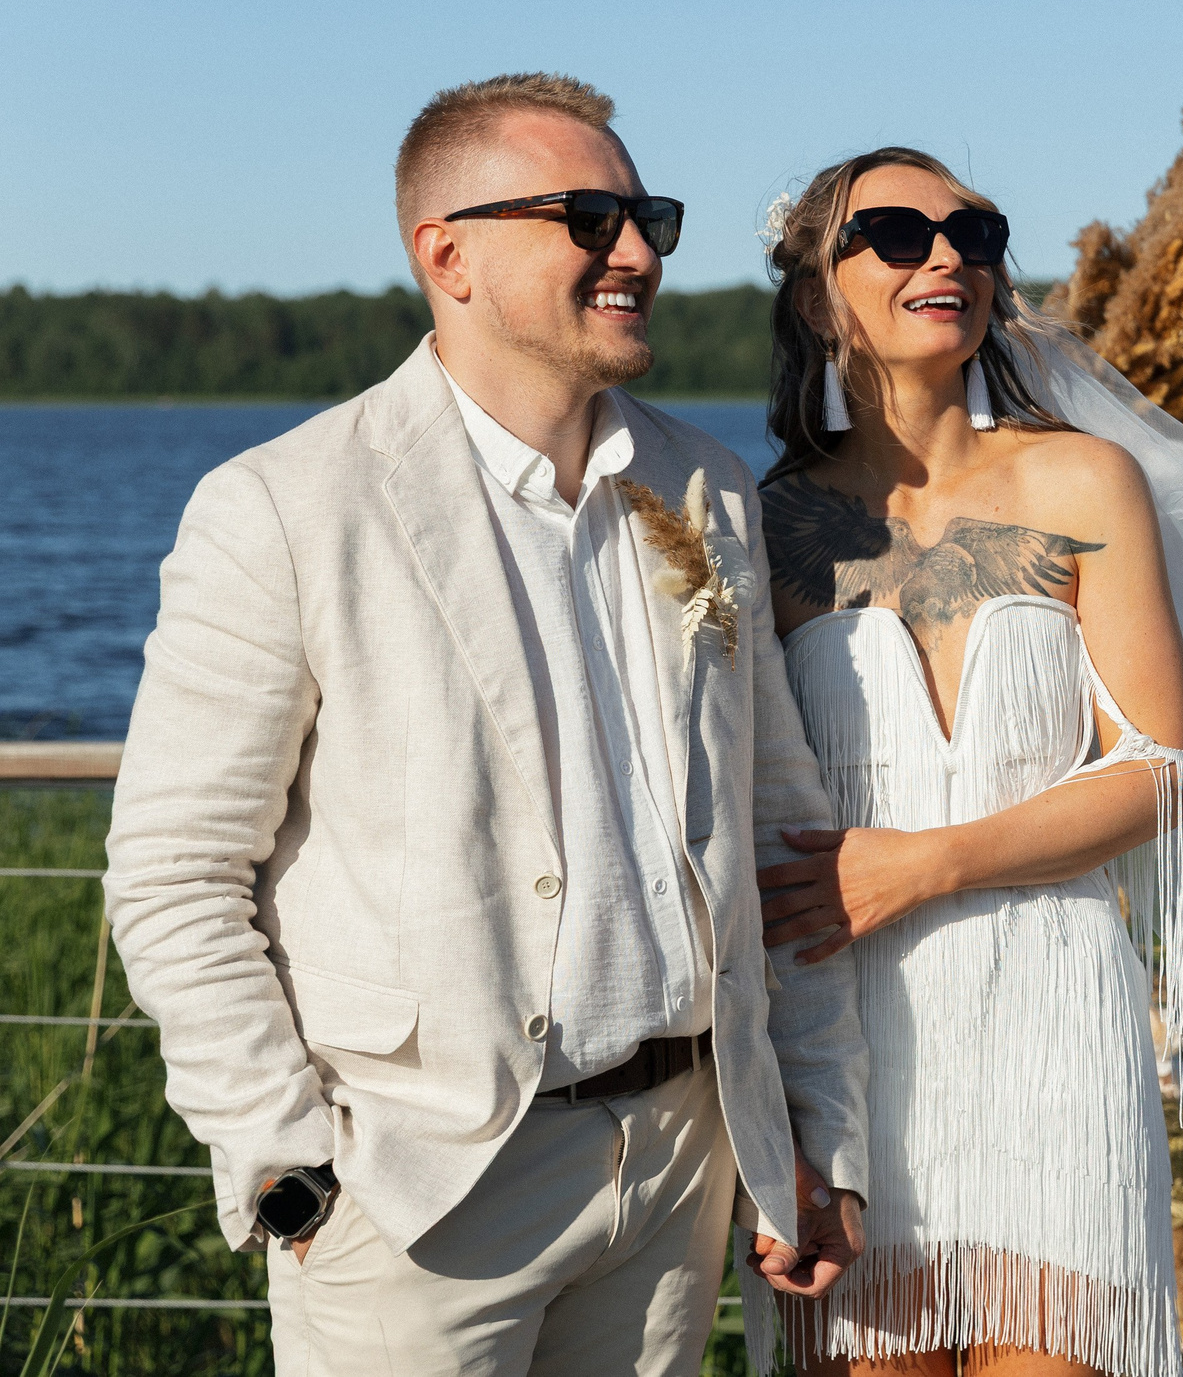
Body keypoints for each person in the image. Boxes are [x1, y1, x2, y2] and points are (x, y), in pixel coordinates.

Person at [104, 73, 867, 1377]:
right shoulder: (286, 506)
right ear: (445, 252)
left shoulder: (709, 485)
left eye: (647, 217)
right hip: (423, 1193)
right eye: (586, 215)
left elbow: (774, 829)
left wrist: (814, 1124)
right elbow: (176, 873)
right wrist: (293, 1167)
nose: (635, 251)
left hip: (681, 1167)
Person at [744, 147, 1183, 1377]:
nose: (946, 256)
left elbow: (1158, 769)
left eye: (974, 234)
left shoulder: (1085, 479)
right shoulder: (761, 522)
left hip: (1048, 1007)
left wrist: (920, 866)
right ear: (819, 295)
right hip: (840, 1039)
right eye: (894, 232)